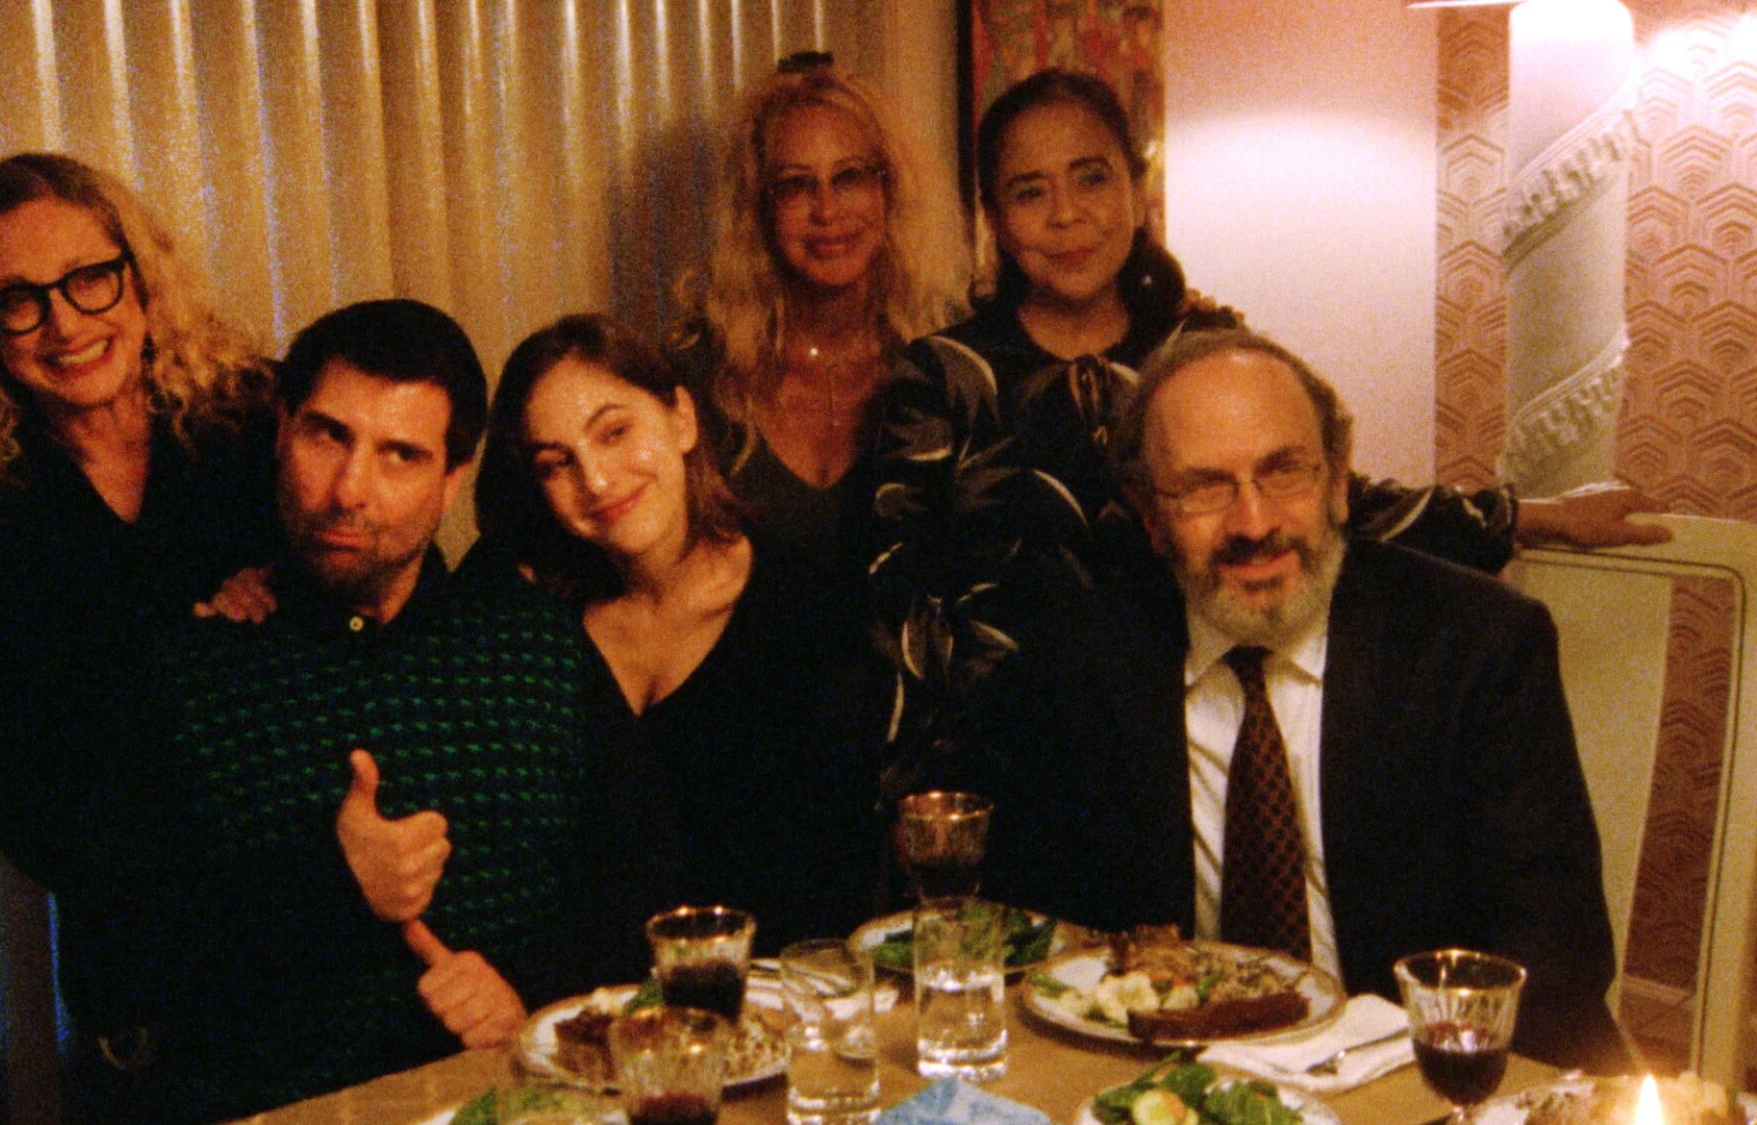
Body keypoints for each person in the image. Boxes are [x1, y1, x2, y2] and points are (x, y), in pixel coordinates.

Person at [869, 68, 1667, 783]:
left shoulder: (1201, 349)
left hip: (1178, 748)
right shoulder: (944, 375)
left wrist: (1536, 515)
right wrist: (927, 785)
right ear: (995, 219)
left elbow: (1319, 500)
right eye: (1030, 190)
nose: (1068, 214)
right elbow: (895, 590)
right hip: (996, 760)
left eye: (1092, 177)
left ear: (1138, 189)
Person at [967, 328, 1629, 1071]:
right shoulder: (1073, 667)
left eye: (1285, 472)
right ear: (1150, 516)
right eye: (1205, 487)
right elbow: (1043, 955)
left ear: (1340, 479)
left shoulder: (1477, 647)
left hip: (1421, 1081)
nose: (1254, 523)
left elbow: (1555, 964)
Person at [139, 300, 596, 1120]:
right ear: (281, 429)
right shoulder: (194, 665)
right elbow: (122, 964)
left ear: (453, 477)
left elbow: (640, 876)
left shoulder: (537, 643)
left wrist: (527, 989)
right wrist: (332, 883)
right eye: (329, 436)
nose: (351, 490)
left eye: (401, 455)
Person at [0, 153, 275, 1106]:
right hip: (149, 989)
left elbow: (387, 616)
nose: (65, 322)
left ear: (139, 278)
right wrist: (193, 655)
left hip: (344, 950)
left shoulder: (258, 418)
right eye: (18, 300)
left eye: (87, 279)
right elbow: (4, 773)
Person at [474, 313, 880, 960]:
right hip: (592, 1015)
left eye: (614, 431)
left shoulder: (809, 604)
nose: (597, 481)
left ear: (682, 420)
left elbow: (841, 878)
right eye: (557, 464)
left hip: (776, 1007)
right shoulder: (537, 616)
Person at [672, 52, 964, 574]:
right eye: (795, 184)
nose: (827, 211)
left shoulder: (953, 359)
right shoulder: (697, 375)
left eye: (850, 177)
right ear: (760, 209)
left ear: (888, 190)